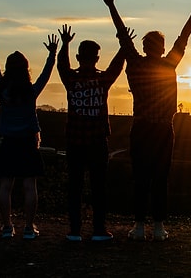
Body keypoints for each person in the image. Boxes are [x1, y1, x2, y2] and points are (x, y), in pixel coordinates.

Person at [98, 0, 191, 241]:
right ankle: (159, 226)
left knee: (140, 178)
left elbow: (122, 35)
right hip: (163, 129)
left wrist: (111, 6)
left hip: (141, 128)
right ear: (161, 48)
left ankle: (139, 226)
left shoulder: (135, 63)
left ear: (145, 46)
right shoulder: (169, 63)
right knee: (161, 178)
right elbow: (184, 37)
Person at [56, 24, 125, 242]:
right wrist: (123, 47)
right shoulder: (102, 80)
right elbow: (116, 67)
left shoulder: (71, 79)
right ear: (96, 58)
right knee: (98, 187)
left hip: (74, 141)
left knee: (74, 187)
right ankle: (98, 229)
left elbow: (61, 65)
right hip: (97, 141)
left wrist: (64, 44)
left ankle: (74, 230)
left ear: (78, 56)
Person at [0, 33, 59, 240]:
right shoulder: (30, 91)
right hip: (29, 142)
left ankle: (6, 227)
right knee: (30, 186)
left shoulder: (2, 90)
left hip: (8, 142)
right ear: (26, 69)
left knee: (5, 186)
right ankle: (29, 227)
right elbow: (46, 75)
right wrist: (52, 55)